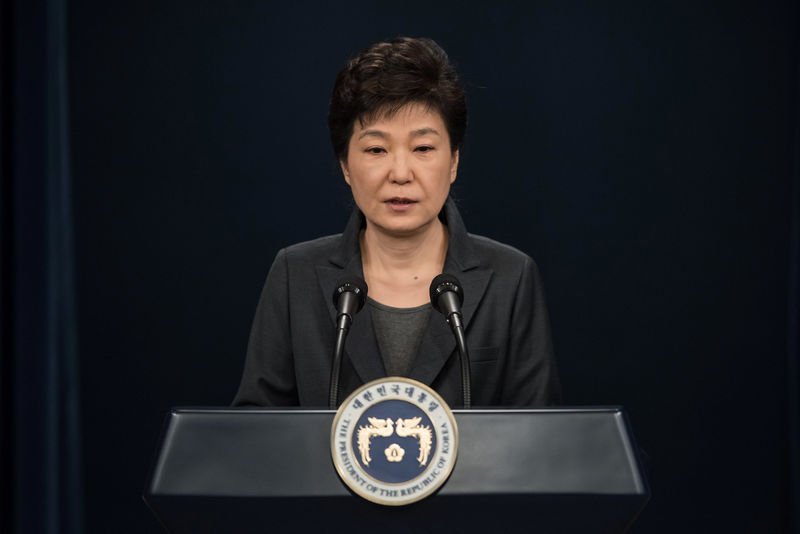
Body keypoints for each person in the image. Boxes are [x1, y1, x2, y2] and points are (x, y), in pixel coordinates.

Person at [233, 37, 560, 408]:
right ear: (345, 165)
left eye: (422, 149)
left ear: (453, 161)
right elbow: (256, 434)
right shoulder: (296, 275)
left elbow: (539, 440)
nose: (400, 173)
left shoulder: (511, 278)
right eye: (376, 149)